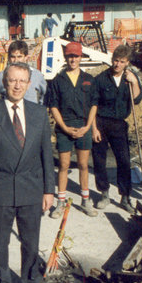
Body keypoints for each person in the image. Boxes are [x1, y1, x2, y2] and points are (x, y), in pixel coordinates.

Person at [0, 63, 55, 283]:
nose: (17, 85)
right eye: (12, 81)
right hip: (0, 191)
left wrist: (49, 190)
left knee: (31, 242)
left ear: (29, 84)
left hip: (31, 188)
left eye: (22, 81)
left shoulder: (39, 113)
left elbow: (46, 155)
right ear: (4, 83)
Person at [45, 42, 97, 217]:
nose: (73, 59)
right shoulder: (57, 81)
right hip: (64, 127)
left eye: (76, 56)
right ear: (65, 57)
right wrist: (65, 128)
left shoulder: (89, 79)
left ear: (81, 57)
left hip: (83, 126)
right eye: (70, 56)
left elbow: (94, 106)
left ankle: (85, 200)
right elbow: (53, 107)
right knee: (64, 165)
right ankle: (60, 202)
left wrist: (88, 127)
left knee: (83, 165)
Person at [91, 44, 142, 212]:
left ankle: (125, 196)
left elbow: (136, 100)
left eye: (121, 62)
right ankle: (104, 193)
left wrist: (134, 82)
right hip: (101, 122)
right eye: (115, 60)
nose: (117, 64)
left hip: (119, 124)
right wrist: (94, 128)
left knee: (123, 160)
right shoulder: (100, 79)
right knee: (99, 160)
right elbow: (92, 105)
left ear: (127, 62)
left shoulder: (130, 79)